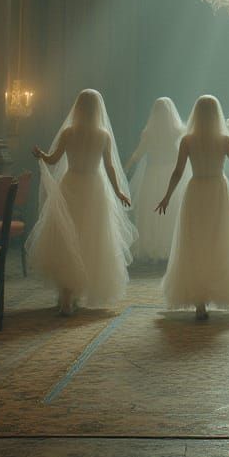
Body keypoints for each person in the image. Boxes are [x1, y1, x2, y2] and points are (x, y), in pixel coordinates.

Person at [26, 89, 135, 315]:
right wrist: (118, 192)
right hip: (94, 188)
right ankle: (73, 293)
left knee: (66, 237)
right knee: (92, 240)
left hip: (71, 184)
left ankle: (66, 294)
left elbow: (53, 160)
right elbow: (110, 167)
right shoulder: (103, 135)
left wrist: (41, 155)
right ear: (98, 110)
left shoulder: (69, 132)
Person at [157, 95, 229, 319]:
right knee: (220, 240)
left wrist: (167, 196)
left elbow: (177, 172)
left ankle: (199, 302)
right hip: (218, 191)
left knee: (195, 242)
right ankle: (215, 290)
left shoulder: (188, 140)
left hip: (196, 191)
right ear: (217, 114)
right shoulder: (224, 139)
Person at [125, 97, 186, 262]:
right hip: (167, 173)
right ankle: (165, 246)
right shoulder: (177, 132)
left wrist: (127, 166)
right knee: (164, 210)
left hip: (155, 174)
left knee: (153, 210)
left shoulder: (151, 133)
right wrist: (126, 166)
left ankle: (155, 245)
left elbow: (137, 154)